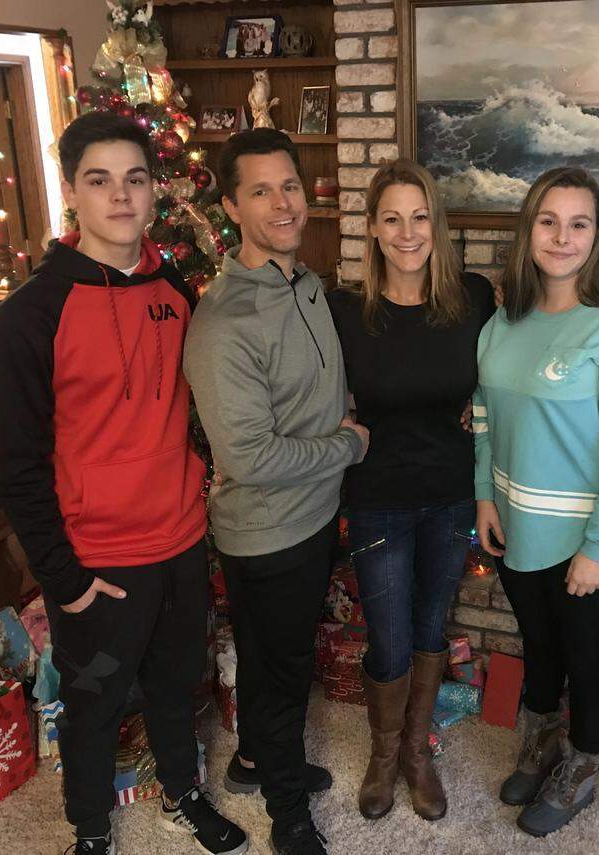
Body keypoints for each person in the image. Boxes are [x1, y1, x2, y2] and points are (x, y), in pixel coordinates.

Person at [0, 111, 248, 855]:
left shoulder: (177, 292)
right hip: (98, 562)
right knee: (93, 701)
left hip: (180, 542)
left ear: (155, 189)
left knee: (176, 688)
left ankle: (184, 794)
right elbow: (18, 467)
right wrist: (63, 579)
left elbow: (193, 413)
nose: (121, 197)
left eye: (135, 178)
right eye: (99, 180)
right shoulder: (29, 315)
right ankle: (91, 829)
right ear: (71, 191)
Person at [183, 128, 369, 855]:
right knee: (281, 672)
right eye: (260, 190)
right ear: (231, 206)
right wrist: (349, 444)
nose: (283, 202)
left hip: (313, 516)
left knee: (275, 658)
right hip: (268, 531)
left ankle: (257, 761)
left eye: (289, 184)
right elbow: (252, 457)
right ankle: (288, 814)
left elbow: (318, 385)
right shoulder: (224, 321)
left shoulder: (307, 283)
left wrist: (344, 412)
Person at [472, 166, 599, 837]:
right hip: (515, 525)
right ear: (529, 229)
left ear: (597, 236)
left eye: (579, 223)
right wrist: (484, 497)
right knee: (537, 643)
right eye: (549, 220)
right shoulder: (503, 322)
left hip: (582, 538)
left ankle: (582, 765)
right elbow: (485, 415)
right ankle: (543, 739)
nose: (563, 236)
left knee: (583, 652)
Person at [326, 159, 495, 822]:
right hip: (378, 497)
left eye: (419, 216)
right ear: (371, 227)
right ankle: (382, 752)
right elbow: (304, 379)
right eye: (391, 218)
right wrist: (331, 421)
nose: (407, 231)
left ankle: (417, 754)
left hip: (452, 494)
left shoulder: (472, 299)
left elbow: (505, 374)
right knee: (389, 637)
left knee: (430, 626)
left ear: (437, 225)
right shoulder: (346, 310)